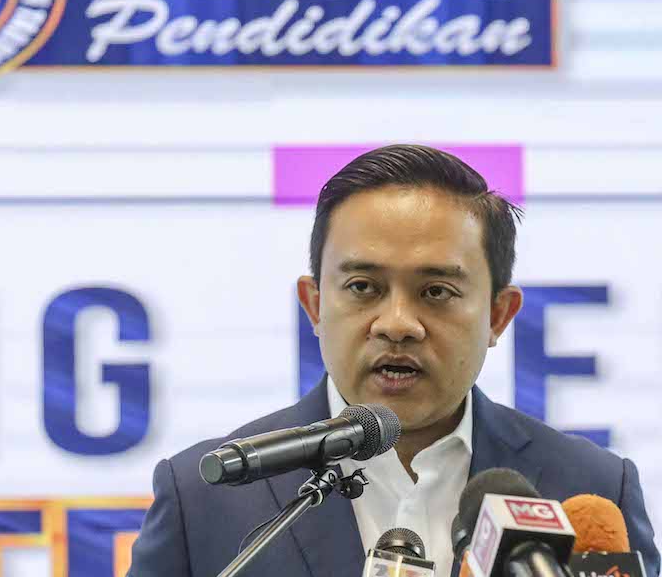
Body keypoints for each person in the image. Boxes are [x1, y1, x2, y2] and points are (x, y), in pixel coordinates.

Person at [128, 145, 659, 577]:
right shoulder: (206, 496)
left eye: (436, 291)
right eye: (363, 287)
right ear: (315, 305)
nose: (397, 323)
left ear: (499, 314)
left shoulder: (590, 487)